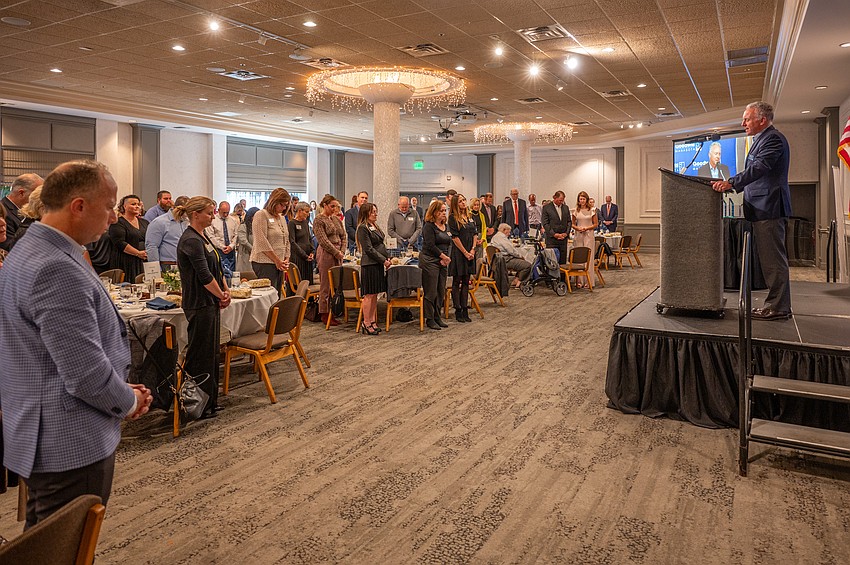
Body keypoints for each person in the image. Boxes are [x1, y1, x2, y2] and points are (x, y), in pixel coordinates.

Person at [0, 160, 152, 528]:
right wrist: (129, 401)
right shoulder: (56, 266)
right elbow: (84, 375)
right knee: (64, 546)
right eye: (109, 206)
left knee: (43, 542)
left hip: (49, 420)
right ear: (78, 206)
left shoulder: (32, 246)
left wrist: (116, 386)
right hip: (68, 435)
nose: (114, 217)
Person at [712, 101, 792, 320]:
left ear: (762, 119)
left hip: (770, 208)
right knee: (769, 261)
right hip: (761, 209)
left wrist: (731, 182)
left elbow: (759, 168)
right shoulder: (761, 140)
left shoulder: (773, 139)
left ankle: (778, 307)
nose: (743, 123)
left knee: (773, 261)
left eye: (747, 119)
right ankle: (775, 305)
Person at [175, 196, 230, 419]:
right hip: (198, 303)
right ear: (195, 214)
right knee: (199, 355)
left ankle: (209, 401)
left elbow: (216, 267)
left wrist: (225, 291)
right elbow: (204, 276)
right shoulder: (190, 240)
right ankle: (195, 404)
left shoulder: (202, 236)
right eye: (209, 212)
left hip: (210, 302)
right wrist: (221, 294)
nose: (213, 216)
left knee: (211, 354)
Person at [356, 202, 390, 335]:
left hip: (378, 264)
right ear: (366, 213)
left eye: (376, 211)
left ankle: (373, 321)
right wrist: (383, 260)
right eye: (373, 212)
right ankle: (366, 322)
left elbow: (380, 244)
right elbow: (369, 249)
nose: (375, 214)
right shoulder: (362, 228)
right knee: (369, 295)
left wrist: (386, 258)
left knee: (375, 295)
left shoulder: (374, 226)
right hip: (369, 264)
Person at [250, 188, 291, 296]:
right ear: (274, 201)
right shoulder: (261, 214)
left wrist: (286, 258)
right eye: (282, 204)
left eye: (286, 205)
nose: (284, 208)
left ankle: (276, 313)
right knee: (268, 297)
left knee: (276, 295)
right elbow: (261, 241)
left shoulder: (282, 218)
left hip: (279, 263)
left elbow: (286, 239)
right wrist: (277, 260)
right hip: (264, 262)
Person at [314, 194, 346, 326]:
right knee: (326, 285)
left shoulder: (336, 219)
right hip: (326, 254)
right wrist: (336, 252)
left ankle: (335, 310)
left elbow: (343, 236)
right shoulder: (318, 220)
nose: (334, 209)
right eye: (332, 206)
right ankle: (325, 313)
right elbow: (323, 240)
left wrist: (342, 251)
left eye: (336, 206)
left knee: (337, 284)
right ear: (325, 205)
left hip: (338, 253)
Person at [420, 199, 451, 330]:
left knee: (440, 290)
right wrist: (443, 256)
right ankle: (429, 318)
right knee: (431, 291)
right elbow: (430, 245)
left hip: (443, 261)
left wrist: (446, 258)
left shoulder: (446, 226)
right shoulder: (429, 226)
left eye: (445, 211)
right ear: (434, 212)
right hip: (429, 260)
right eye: (441, 211)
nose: (444, 213)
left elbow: (449, 242)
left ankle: (438, 316)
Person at [447, 194, 478, 323]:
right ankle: (458, 309)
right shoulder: (453, 218)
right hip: (459, 253)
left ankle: (465, 308)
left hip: (470, 252)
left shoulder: (470, 217)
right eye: (460, 201)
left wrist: (473, 250)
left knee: (466, 281)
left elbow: (475, 234)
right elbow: (455, 238)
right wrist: (465, 252)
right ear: (456, 204)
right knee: (457, 281)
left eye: (464, 200)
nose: (463, 203)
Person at [109, 194, 149, 283]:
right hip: (125, 261)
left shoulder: (145, 222)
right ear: (125, 206)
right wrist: (138, 253)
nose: (137, 206)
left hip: (143, 260)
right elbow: (120, 243)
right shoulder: (117, 223)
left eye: (138, 204)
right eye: (133, 204)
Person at [145, 195, 188, 270]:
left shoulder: (186, 222)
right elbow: (152, 247)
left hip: (184, 264)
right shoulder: (159, 222)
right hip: (167, 265)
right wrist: (156, 270)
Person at [1, 172, 42, 251]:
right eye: (37, 195)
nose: (40, 199)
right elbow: (9, 248)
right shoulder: (3, 212)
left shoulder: (22, 211)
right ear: (21, 193)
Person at [205, 201, 239, 275]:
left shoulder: (233, 220)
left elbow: (236, 235)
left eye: (227, 212)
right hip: (218, 250)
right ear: (218, 210)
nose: (226, 214)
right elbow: (211, 236)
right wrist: (222, 247)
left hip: (231, 251)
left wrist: (231, 246)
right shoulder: (212, 220)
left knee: (231, 273)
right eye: (224, 212)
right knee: (219, 273)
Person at [572, 190, 598, 288]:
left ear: (586, 200)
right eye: (580, 199)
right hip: (578, 234)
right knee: (579, 257)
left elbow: (596, 224)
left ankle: (588, 281)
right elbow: (573, 224)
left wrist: (586, 228)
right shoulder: (576, 210)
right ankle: (579, 281)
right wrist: (578, 228)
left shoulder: (592, 210)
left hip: (589, 234)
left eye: (583, 199)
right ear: (578, 200)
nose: (582, 201)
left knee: (588, 257)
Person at [541, 190, 572, 265]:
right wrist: (554, 234)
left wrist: (566, 233)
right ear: (554, 198)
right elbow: (545, 223)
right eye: (560, 200)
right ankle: (552, 277)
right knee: (552, 262)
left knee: (562, 262)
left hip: (563, 240)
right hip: (552, 240)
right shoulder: (546, 208)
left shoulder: (565, 208)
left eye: (563, 200)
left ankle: (562, 277)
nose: (561, 202)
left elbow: (569, 222)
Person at [288, 201, 315, 285]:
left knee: (308, 282)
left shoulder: (305, 223)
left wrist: (312, 252)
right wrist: (304, 255)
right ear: (299, 211)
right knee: (299, 282)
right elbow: (292, 242)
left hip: (308, 256)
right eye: (306, 212)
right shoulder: (292, 223)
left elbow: (309, 238)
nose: (308, 214)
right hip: (298, 257)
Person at [235, 206, 259, 275]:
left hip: (255, 256)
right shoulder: (243, 226)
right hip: (245, 255)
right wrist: (254, 249)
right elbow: (243, 241)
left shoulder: (257, 226)